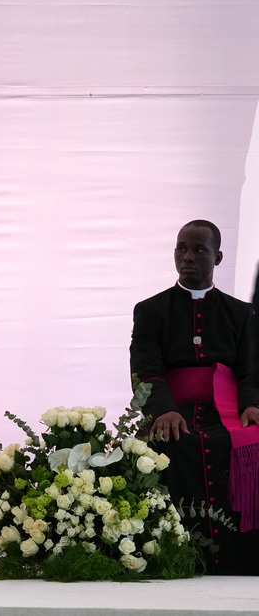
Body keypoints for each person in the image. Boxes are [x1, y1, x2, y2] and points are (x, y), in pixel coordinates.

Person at [130, 220, 259, 575]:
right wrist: (164, 410)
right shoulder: (151, 310)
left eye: (199, 249)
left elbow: (252, 369)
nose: (188, 257)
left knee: (252, 442)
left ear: (217, 257)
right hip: (174, 408)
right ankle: (168, 557)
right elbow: (145, 369)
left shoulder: (240, 313)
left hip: (228, 411)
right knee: (166, 446)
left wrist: (252, 405)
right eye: (182, 248)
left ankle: (245, 557)